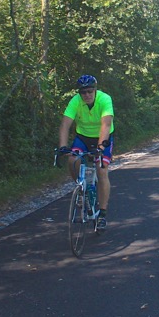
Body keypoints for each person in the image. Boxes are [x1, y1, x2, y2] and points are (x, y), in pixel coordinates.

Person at [58, 74, 114, 231]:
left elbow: (106, 125)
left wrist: (100, 148)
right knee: (72, 160)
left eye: (90, 91)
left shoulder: (104, 99)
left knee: (101, 170)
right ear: (79, 93)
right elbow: (65, 125)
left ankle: (102, 214)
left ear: (95, 90)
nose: (87, 95)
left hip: (103, 138)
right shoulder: (75, 101)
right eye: (83, 92)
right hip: (83, 137)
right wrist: (63, 146)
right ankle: (80, 189)